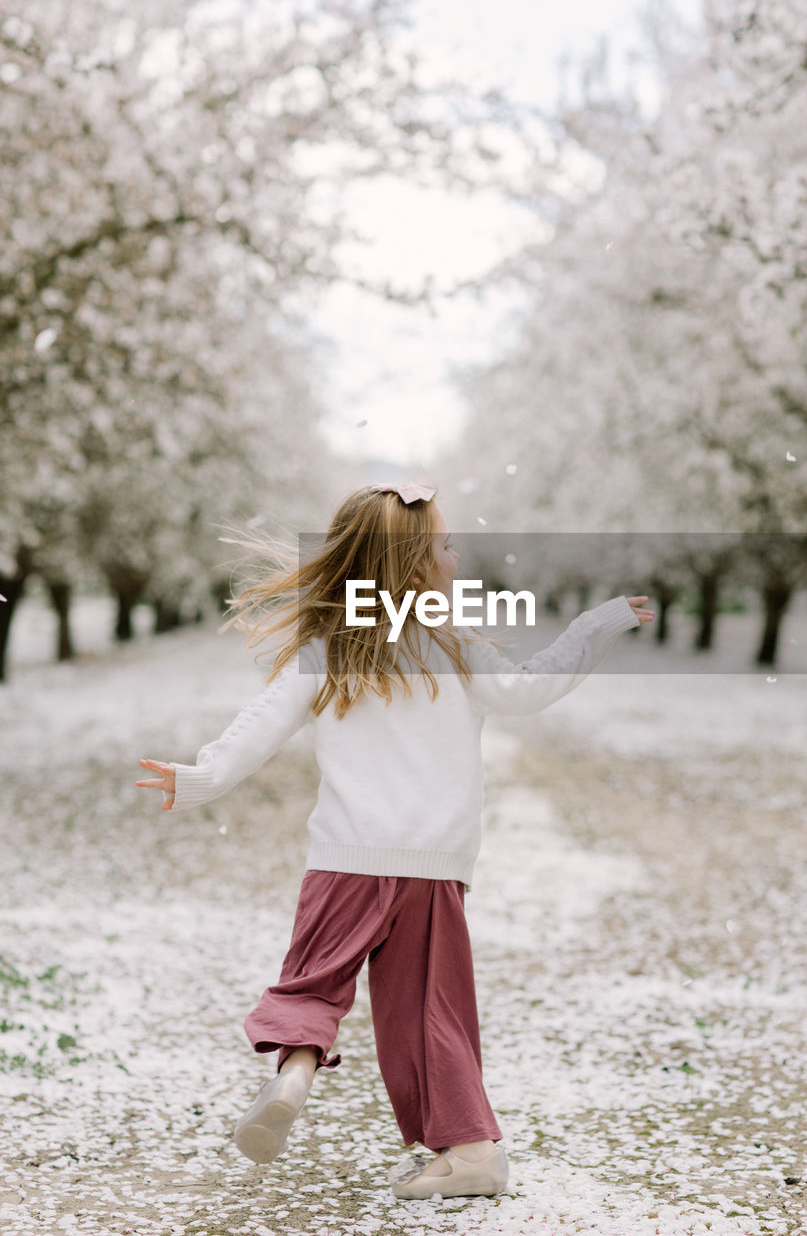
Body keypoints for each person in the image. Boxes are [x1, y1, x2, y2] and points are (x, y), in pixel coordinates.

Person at [137, 483, 654, 1199]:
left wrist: (197, 778)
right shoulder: (455, 644)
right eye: (443, 544)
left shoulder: (328, 649)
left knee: (310, 986)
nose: (454, 554)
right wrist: (597, 625)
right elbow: (532, 688)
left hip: (344, 862)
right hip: (432, 867)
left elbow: (258, 726)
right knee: (428, 1012)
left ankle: (293, 1077)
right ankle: (469, 1151)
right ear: (412, 566)